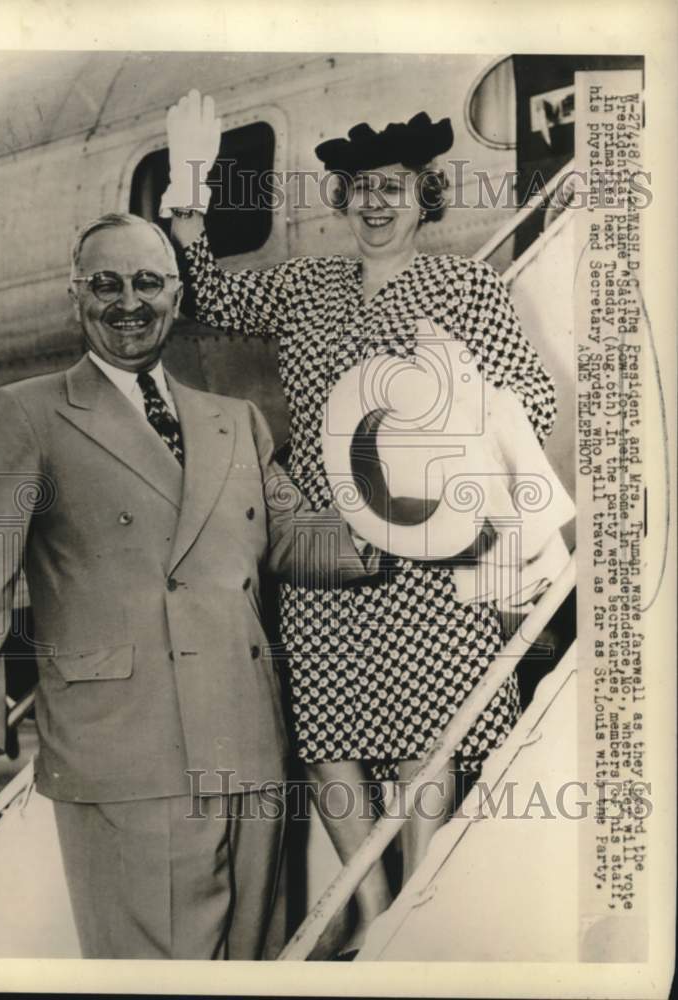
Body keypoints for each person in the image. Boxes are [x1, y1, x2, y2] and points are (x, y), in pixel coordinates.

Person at [163, 91, 558, 952]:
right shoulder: (308, 288)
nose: (374, 202)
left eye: (393, 187)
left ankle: (413, 906)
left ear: (424, 199)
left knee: (428, 723)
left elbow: (529, 397)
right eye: (358, 190)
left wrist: (453, 420)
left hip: (425, 542)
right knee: (328, 726)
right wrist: (189, 190)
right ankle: (369, 904)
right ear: (339, 205)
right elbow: (207, 297)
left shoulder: (463, 285)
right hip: (322, 544)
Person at [0, 212, 378, 961]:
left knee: (252, 964)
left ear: (176, 296)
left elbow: (290, 538)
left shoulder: (232, 420)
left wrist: (402, 525)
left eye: (147, 282)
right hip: (127, 753)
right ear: (75, 297)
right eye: (104, 284)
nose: (127, 302)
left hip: (247, 746)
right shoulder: (28, 412)